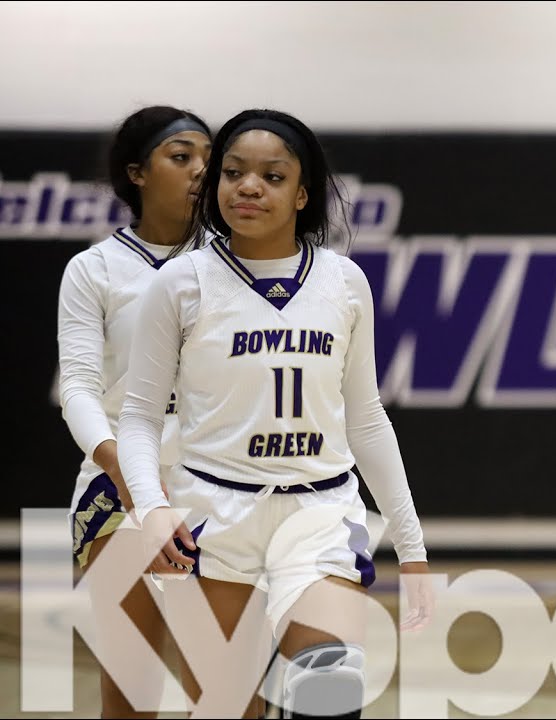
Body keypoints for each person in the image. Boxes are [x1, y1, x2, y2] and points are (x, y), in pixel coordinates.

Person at [118, 108, 433, 718]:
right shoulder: (182, 282)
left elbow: (366, 417)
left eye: (272, 175)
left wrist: (413, 547)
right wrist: (152, 510)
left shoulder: (343, 283)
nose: (250, 186)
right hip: (214, 515)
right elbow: (138, 415)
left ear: (301, 194)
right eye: (233, 172)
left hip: (319, 512)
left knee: (330, 696)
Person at [58, 105, 212, 717]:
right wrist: (121, 466)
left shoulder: (238, 265)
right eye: (181, 158)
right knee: (131, 693)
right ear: (137, 174)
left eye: (209, 158)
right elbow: (79, 389)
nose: (201, 171)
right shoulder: (93, 270)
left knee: (227, 691)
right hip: (116, 489)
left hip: (218, 486)